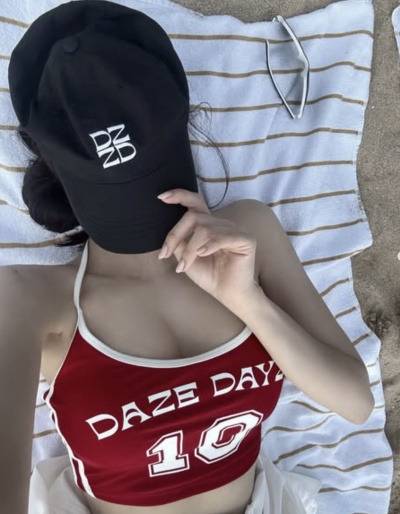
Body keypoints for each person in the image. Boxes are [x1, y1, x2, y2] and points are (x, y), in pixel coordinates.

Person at [1, 1, 372, 513]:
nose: (147, 227)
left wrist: (249, 302)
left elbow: (355, 403)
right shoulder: (28, 299)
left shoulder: (247, 232)